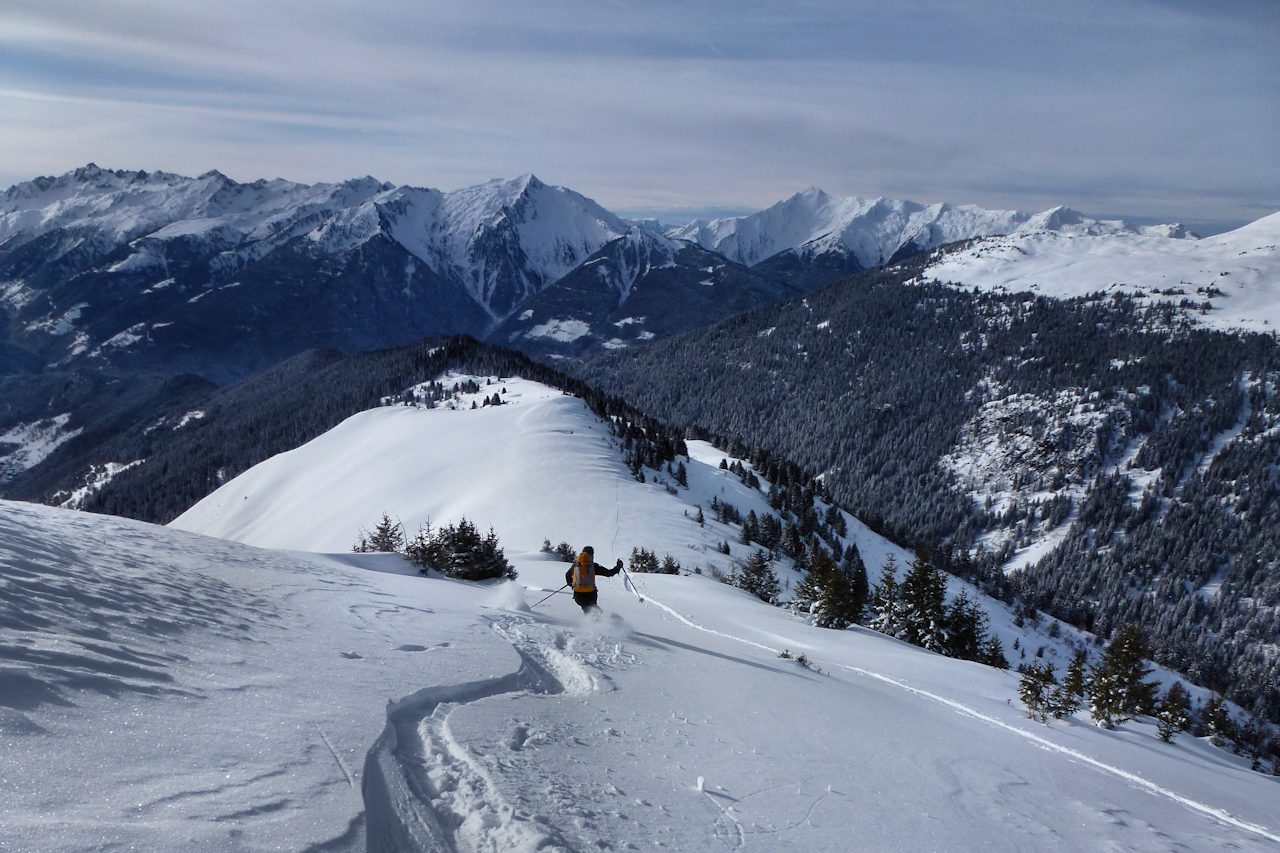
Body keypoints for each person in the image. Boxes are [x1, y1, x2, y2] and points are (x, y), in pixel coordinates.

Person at [564, 545, 622, 614]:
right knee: (595, 611)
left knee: (588, 610)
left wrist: (573, 584)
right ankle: (601, 622)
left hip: (578, 596)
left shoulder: (575, 565)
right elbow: (609, 573)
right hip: (591, 595)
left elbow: (567, 576)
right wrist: (618, 567)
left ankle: (593, 621)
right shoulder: (594, 566)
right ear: (591, 555)